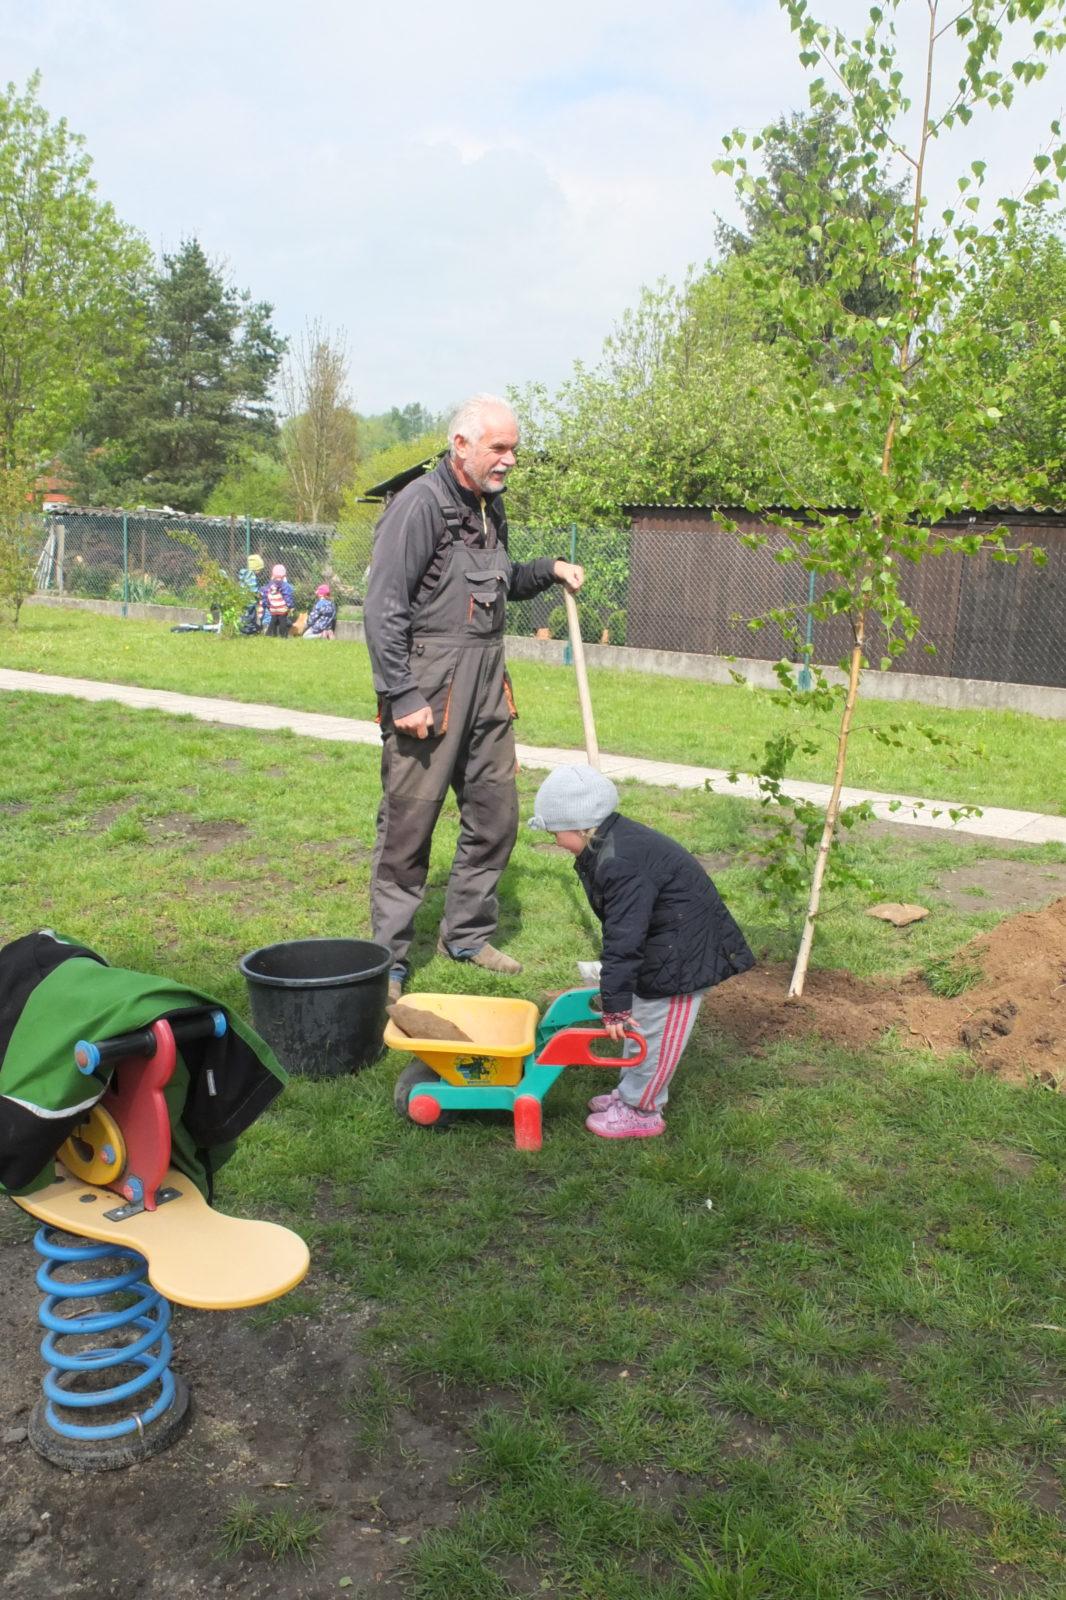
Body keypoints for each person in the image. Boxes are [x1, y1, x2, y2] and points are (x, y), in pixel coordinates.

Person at [365, 393, 584, 1002]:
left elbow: (501, 582)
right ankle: (386, 960)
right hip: (429, 689)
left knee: (495, 817)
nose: (510, 459)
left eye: (514, 448)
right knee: (408, 829)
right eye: (499, 447)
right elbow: (384, 608)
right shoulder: (418, 507)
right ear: (461, 445)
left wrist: (549, 569)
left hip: (489, 687)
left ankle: (465, 933)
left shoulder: (489, 508)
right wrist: (402, 693)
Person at [528, 765, 755, 1140]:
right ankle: (629, 1094)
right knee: (643, 1025)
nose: (554, 841)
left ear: (582, 826)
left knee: (656, 1034)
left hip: (684, 957)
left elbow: (624, 936)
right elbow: (626, 932)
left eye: (556, 833)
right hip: (662, 942)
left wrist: (615, 1001)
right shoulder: (609, 843)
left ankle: (642, 1111)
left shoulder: (621, 862)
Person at [261, 564, 295, 637]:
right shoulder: (285, 585)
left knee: (273, 621)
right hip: (281, 608)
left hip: (273, 608)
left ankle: (269, 634)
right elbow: (287, 596)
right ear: (284, 575)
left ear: (273, 574)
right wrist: (290, 606)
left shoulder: (270, 584)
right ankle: (283, 635)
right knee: (283, 621)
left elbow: (265, 593)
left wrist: (267, 605)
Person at [237, 553, 264, 635]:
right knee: (250, 616)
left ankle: (243, 628)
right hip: (250, 601)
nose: (260, 572)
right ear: (255, 568)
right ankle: (248, 631)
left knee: (244, 615)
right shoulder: (251, 576)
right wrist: (258, 594)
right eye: (259, 569)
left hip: (242, 600)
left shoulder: (244, 574)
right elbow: (253, 588)